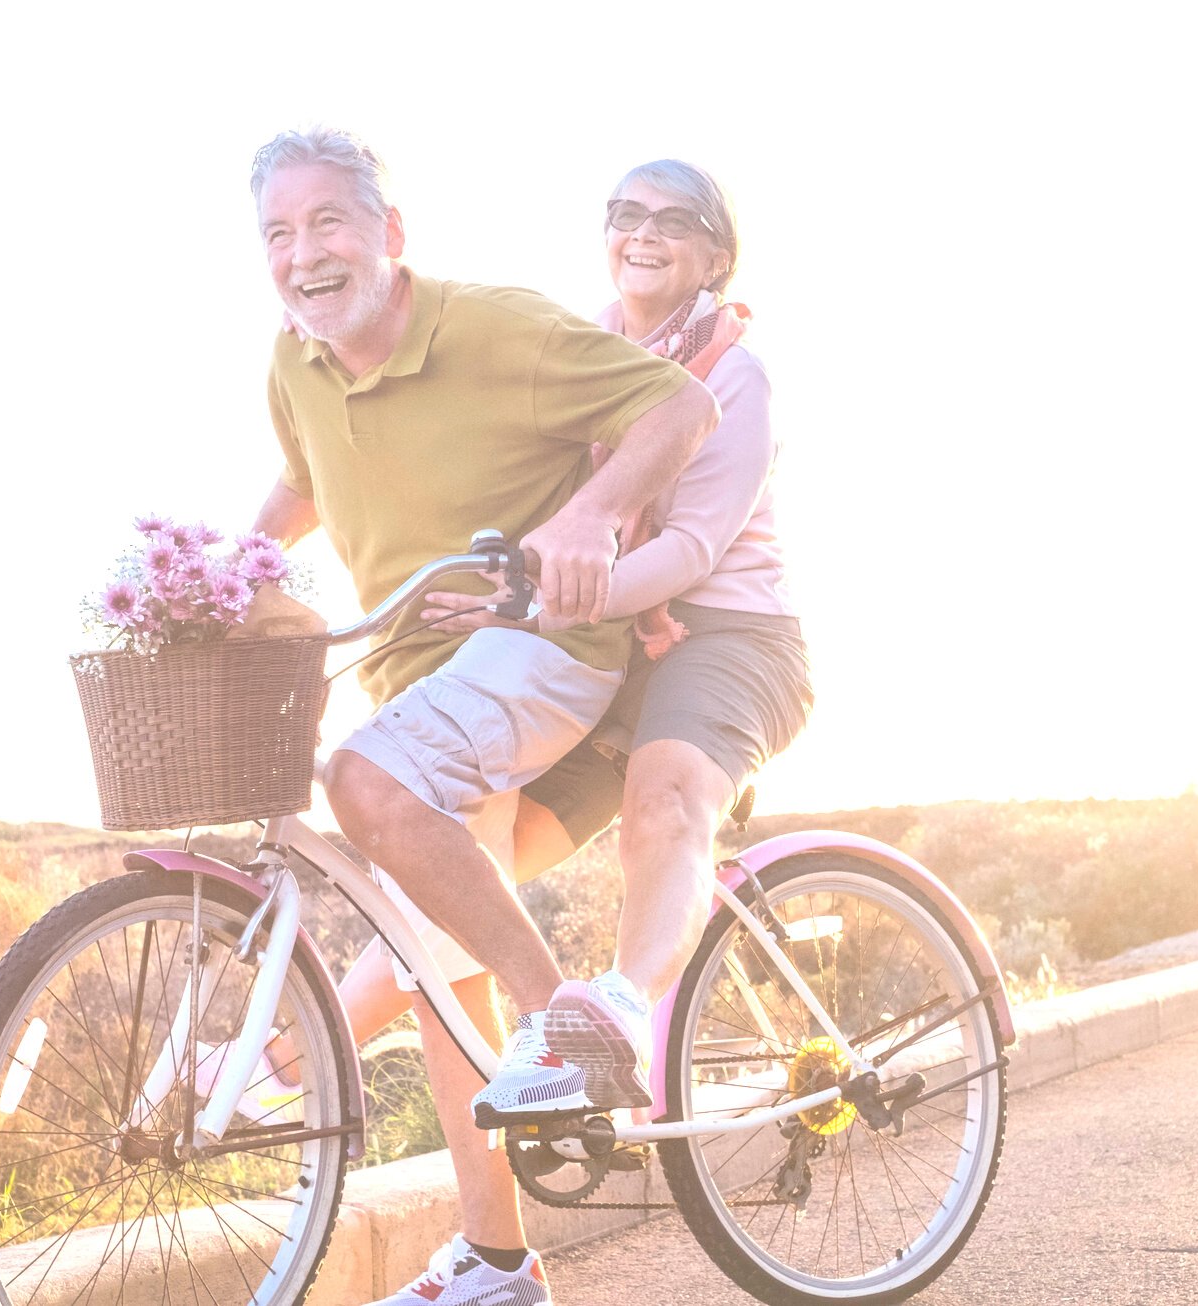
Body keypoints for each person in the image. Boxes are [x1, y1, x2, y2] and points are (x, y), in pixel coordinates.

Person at [246, 128, 718, 1306]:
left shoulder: (494, 327)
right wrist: (221, 570)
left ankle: (563, 1022)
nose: (304, 254)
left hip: (540, 647)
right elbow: (305, 484)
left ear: (390, 235)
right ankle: (500, 1261)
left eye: (327, 224)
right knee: (434, 964)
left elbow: (680, 405)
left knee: (362, 781)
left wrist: (593, 517)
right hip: (418, 675)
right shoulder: (294, 365)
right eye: (277, 234)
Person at [335, 159, 810, 1306]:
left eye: (674, 222)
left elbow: (692, 554)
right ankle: (308, 1070)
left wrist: (549, 602)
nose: (644, 235)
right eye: (625, 217)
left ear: (714, 257)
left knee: (663, 803)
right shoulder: (591, 347)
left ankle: (616, 1019)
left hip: (726, 641)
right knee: (455, 882)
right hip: (603, 653)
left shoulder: (733, 376)